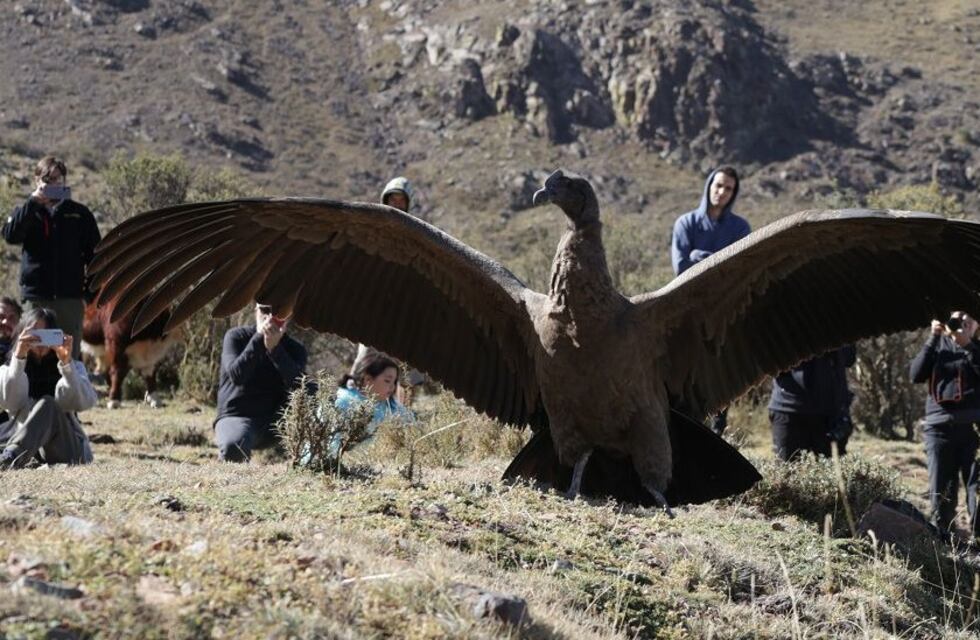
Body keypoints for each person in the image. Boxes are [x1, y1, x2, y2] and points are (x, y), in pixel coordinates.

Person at [670, 166, 750, 435]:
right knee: (687, 373)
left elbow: (739, 272)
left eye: (728, 188)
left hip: (724, 312)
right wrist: (717, 260)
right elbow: (681, 268)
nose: (722, 192)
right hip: (688, 313)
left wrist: (699, 256)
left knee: (720, 373)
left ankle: (717, 433)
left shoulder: (739, 228)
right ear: (709, 186)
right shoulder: (686, 223)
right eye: (718, 185)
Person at [1, 157, 101, 361]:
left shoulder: (80, 214)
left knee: (68, 357)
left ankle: (69, 384)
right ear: (37, 180)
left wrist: (87, 296)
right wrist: (33, 203)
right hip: (36, 299)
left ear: (64, 181)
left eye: (57, 179)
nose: (53, 184)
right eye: (47, 179)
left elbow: (97, 259)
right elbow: (11, 236)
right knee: (33, 354)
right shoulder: (27, 212)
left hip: (70, 300)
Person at [352, 176, 425, 403]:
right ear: (385, 200)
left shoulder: (417, 235)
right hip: (375, 308)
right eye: (392, 199)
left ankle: (403, 415)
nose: (396, 204)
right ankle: (355, 410)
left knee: (409, 369)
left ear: (407, 203)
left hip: (406, 310)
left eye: (401, 200)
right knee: (365, 361)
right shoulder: (371, 232)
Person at [910, 312, 980, 540]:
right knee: (941, 492)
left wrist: (968, 345)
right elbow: (915, 374)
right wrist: (933, 337)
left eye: (969, 317)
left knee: (977, 490)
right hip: (938, 430)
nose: (963, 320)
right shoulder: (937, 347)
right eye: (957, 317)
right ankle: (942, 543)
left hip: (975, 430)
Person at [0, 308, 96, 469]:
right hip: (29, 449)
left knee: (48, 404)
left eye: (46, 335)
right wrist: (18, 359)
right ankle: (15, 456)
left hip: (65, 448)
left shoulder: (73, 367)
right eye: (35, 335)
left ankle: (10, 457)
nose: (40, 342)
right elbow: (10, 403)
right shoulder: (9, 369)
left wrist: (67, 365)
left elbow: (83, 403)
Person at [214, 303, 308, 462]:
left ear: (288, 315)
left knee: (317, 406)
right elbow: (237, 376)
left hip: (276, 422)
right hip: (237, 416)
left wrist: (275, 350)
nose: (270, 317)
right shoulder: (236, 337)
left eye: (279, 311)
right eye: (265, 310)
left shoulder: (295, 349)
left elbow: (299, 385)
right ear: (256, 310)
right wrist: (259, 339)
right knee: (233, 447)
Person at [768, 345, 856, 461]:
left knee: (834, 469)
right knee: (787, 468)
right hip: (789, 409)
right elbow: (770, 359)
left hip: (831, 412)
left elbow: (849, 358)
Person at [330, 352, 414, 456]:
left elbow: (412, 430)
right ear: (368, 379)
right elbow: (333, 445)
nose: (392, 387)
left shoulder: (392, 407)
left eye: (394, 382)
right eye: (387, 381)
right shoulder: (343, 402)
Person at [0, 297, 23, 364]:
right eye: (1, 316)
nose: (5, 322)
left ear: (18, 322)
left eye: (11, 318)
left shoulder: (24, 351)